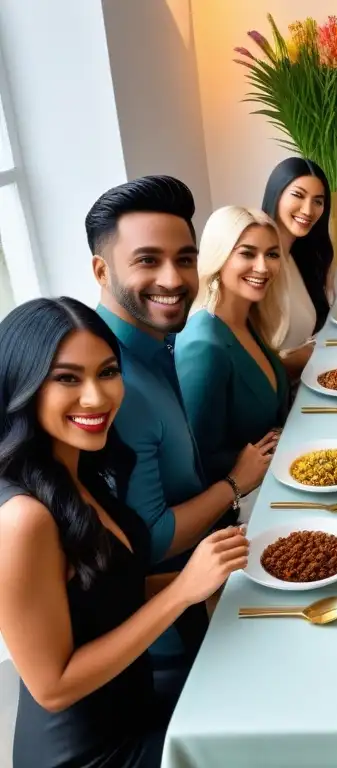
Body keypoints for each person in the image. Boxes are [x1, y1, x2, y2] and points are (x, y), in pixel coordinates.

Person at [0, 297, 249, 768]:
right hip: (91, 754)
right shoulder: (22, 519)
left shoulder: (81, 468)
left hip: (136, 709)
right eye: (67, 378)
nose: (96, 397)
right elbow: (51, 687)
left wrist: (215, 576)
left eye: (108, 372)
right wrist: (180, 593)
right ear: (23, 385)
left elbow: (106, 594)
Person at [86, 176, 273, 697]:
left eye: (185, 259)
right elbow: (153, 539)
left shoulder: (158, 342)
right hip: (164, 640)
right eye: (147, 260)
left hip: (199, 584)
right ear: (102, 270)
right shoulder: (110, 382)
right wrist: (235, 485)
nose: (173, 278)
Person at [176, 206, 288, 494]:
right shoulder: (203, 346)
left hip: (281, 468)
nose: (262, 267)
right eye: (247, 253)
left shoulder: (249, 318)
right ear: (220, 257)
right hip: (245, 499)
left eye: (272, 254)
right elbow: (199, 459)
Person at [261, 157, 333, 378]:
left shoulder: (304, 255)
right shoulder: (259, 265)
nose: (308, 210)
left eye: (318, 201)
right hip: (283, 393)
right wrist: (307, 355)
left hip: (312, 374)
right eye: (298, 195)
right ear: (276, 194)